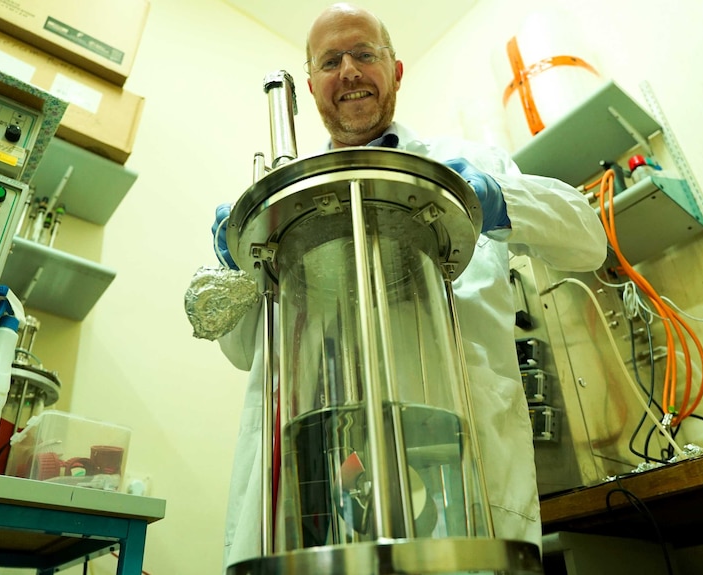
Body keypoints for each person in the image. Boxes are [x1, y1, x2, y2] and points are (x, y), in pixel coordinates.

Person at [212, 2, 607, 570]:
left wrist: (497, 198)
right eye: (330, 61)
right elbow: (243, 351)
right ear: (312, 83)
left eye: (365, 54)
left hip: (459, 480)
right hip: (323, 483)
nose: (348, 71)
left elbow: (587, 238)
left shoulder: (461, 164)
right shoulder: (285, 209)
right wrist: (238, 264)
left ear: (396, 71)